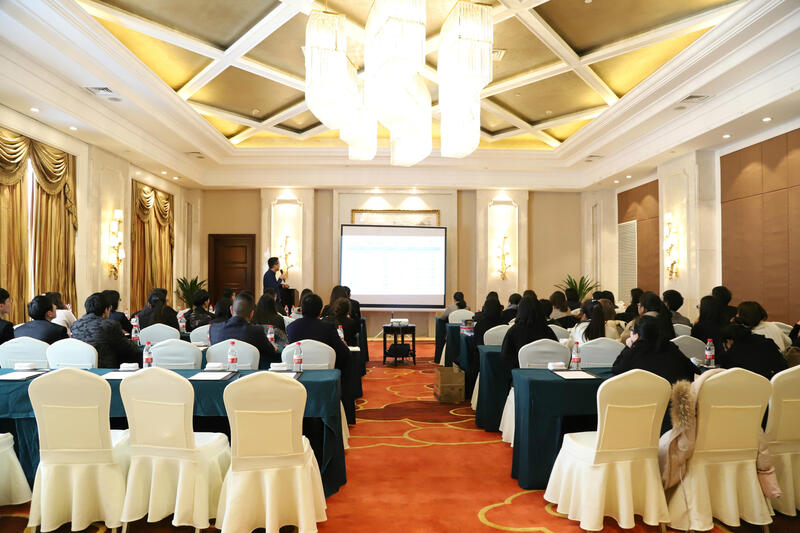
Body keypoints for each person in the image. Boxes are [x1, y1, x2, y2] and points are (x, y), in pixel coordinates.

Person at [612, 315, 697, 384]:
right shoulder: (670, 346)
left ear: (636, 335)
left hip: (644, 396)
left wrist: (628, 347)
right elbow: (693, 369)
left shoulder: (634, 352)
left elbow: (616, 369)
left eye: (631, 329)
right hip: (672, 395)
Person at [717, 302, 788, 379]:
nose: (736, 316)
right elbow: (788, 343)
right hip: (778, 376)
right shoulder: (774, 327)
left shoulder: (745, 338)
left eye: (738, 314)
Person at [209, 291, 279, 368]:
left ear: (231, 310)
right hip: (250, 374)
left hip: (220, 373)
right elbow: (271, 352)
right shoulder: (256, 331)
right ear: (251, 314)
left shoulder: (213, 329)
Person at [71, 292, 140, 368]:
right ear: (106, 309)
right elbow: (128, 348)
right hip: (104, 369)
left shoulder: (75, 325)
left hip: (80, 369)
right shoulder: (110, 325)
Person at [500, 296, 557, 370]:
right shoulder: (548, 330)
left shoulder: (513, 331)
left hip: (520, 373)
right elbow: (557, 353)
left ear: (520, 311)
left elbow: (505, 357)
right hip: (547, 373)